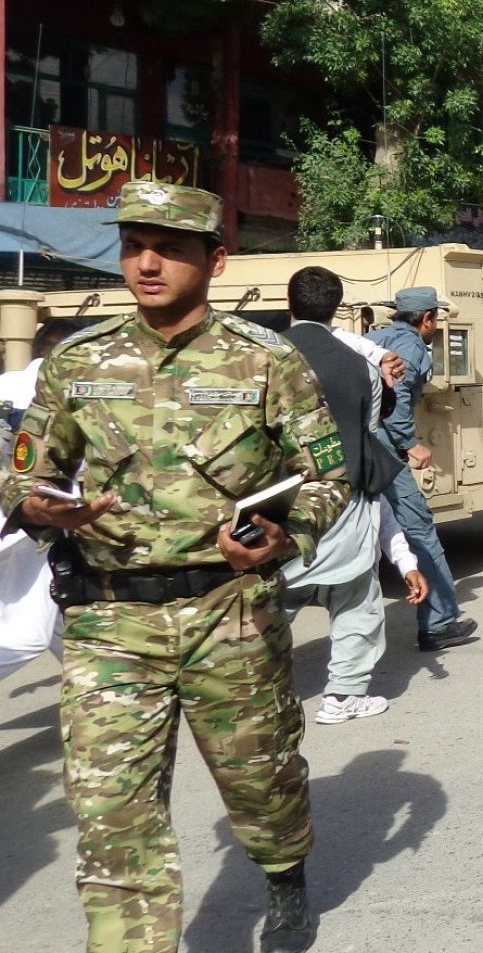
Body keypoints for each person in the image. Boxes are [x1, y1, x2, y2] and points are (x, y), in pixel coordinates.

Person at [0, 181, 350, 953]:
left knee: (260, 780)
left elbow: (329, 476)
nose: (146, 263)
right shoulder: (76, 364)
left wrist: (282, 540)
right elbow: (23, 473)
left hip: (230, 612)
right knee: (111, 808)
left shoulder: (267, 364)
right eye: (132, 247)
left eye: (170, 248)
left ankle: (284, 866)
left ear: (215, 260)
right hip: (108, 619)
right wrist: (37, 506)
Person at [282, 266, 429, 724]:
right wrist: (403, 558)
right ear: (336, 307)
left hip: (275, 506)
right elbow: (367, 435)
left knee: (269, 604)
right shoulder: (360, 365)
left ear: (290, 305)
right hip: (344, 502)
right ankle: (343, 696)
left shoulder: (262, 355)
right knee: (357, 601)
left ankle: (251, 691)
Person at [367, 287, 478, 652]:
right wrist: (409, 442)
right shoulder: (412, 346)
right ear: (427, 319)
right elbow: (396, 399)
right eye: (436, 319)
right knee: (418, 530)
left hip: (358, 445)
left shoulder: (373, 337)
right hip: (384, 447)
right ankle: (439, 622)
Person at [0, 318, 82, 681]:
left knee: (66, 625)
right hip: (31, 526)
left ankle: (103, 697)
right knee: (25, 635)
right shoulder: (68, 392)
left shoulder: (4, 384)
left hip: (26, 522)